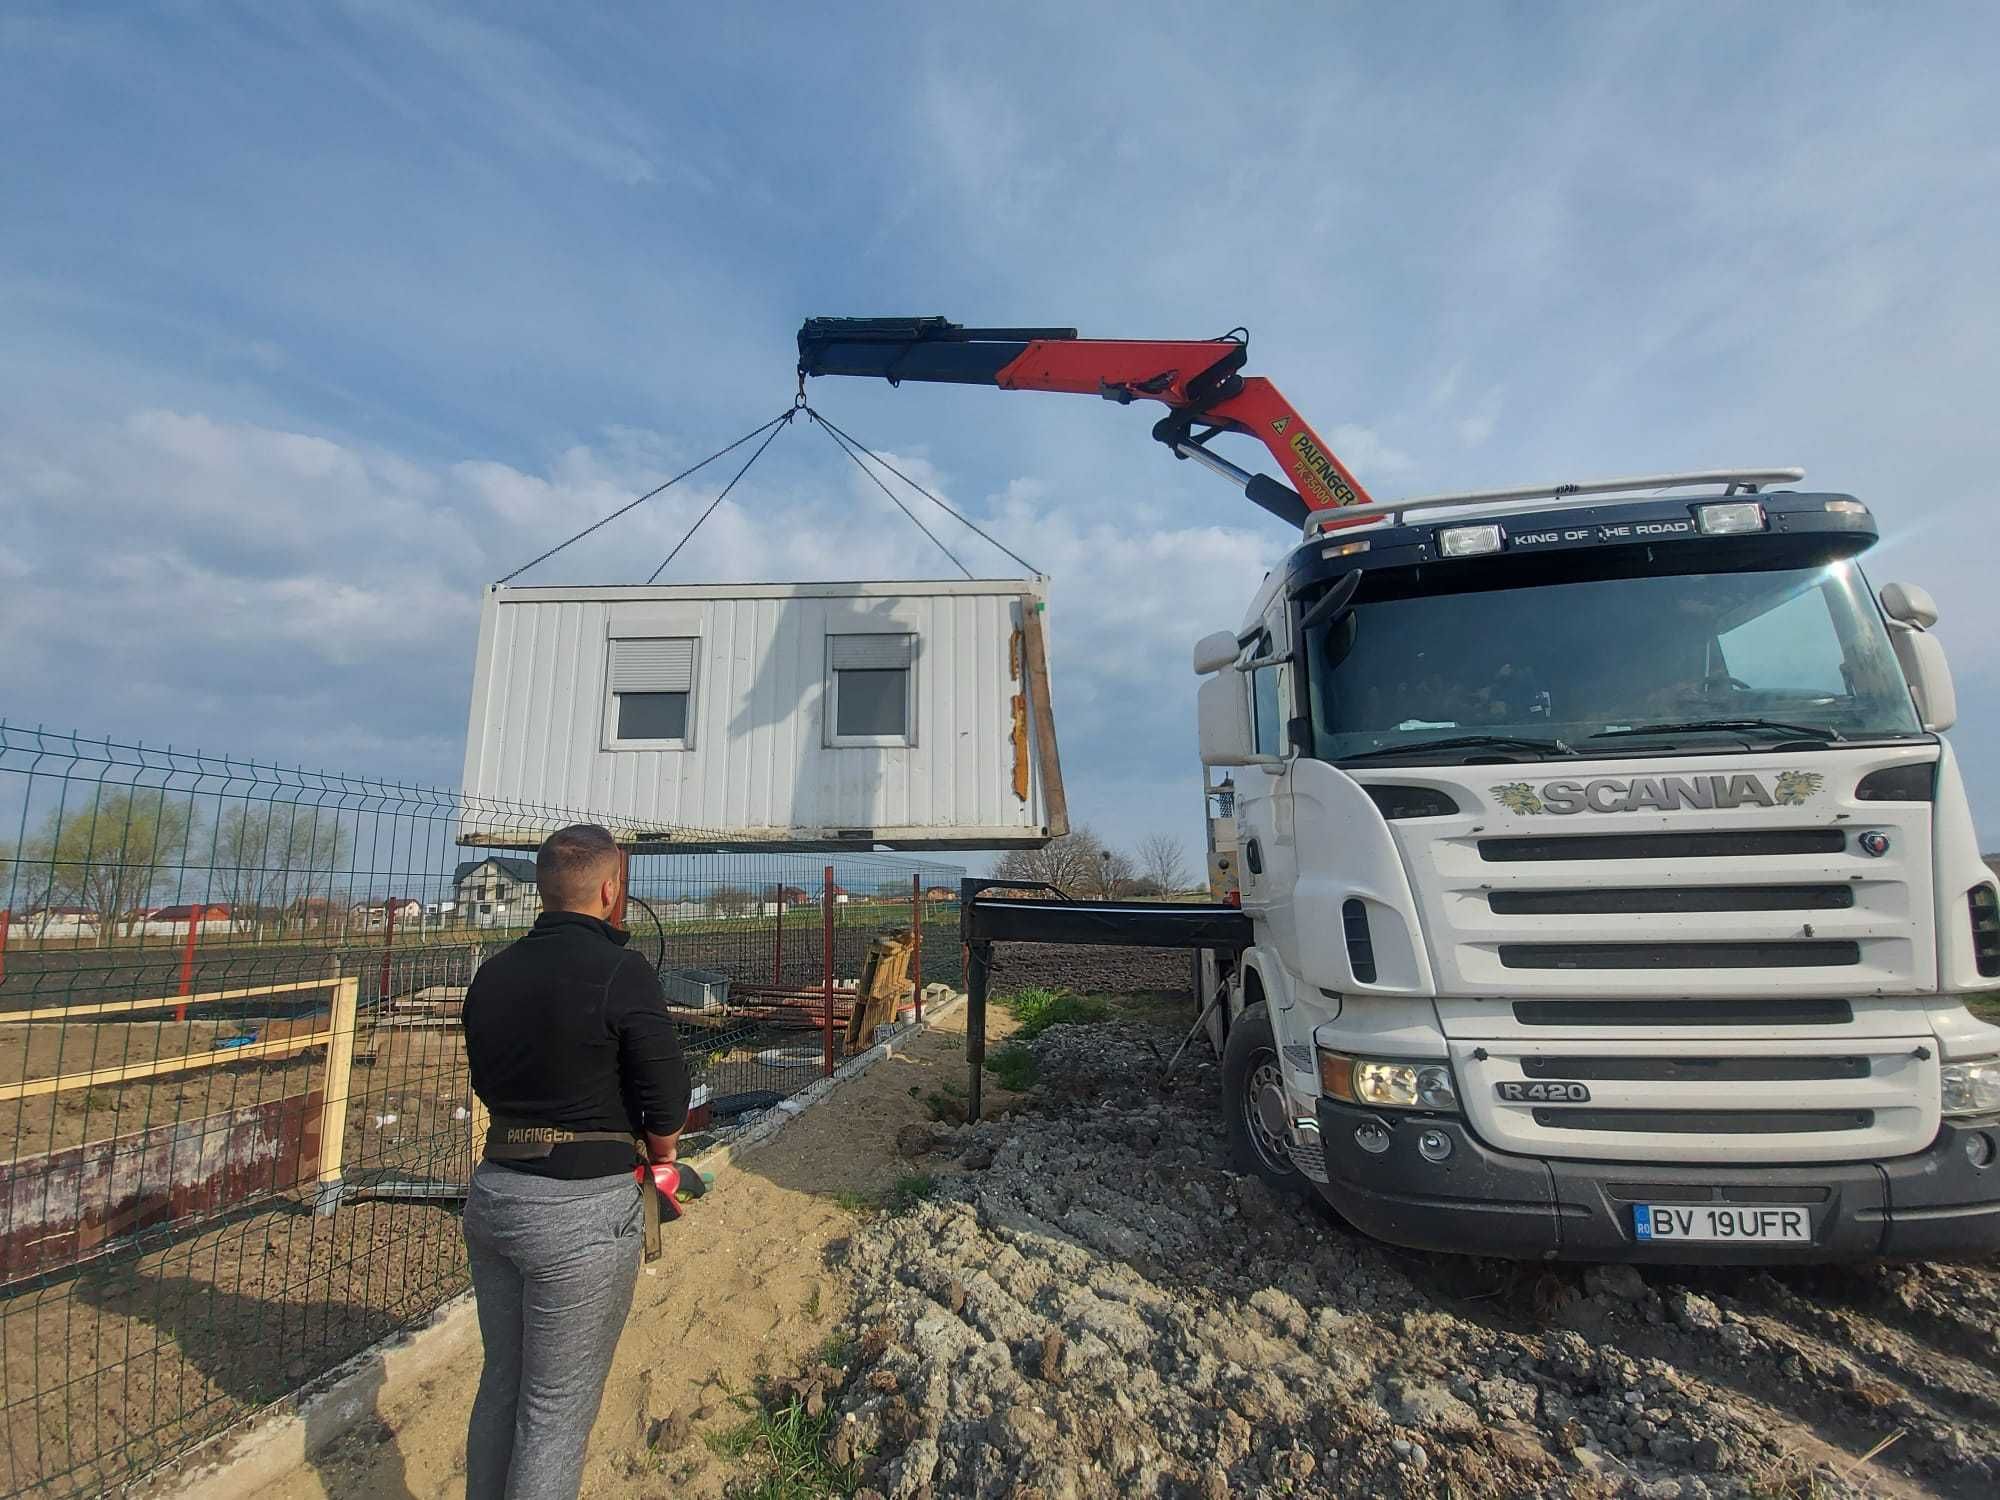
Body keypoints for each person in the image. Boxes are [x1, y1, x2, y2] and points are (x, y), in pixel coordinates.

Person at [461, 824, 690, 1500]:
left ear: (541, 889)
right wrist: (664, 1154)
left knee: (501, 1388)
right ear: (613, 887)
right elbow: (666, 1097)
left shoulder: (492, 974)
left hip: (494, 1196)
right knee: (555, 1413)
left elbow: (486, 1081)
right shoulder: (625, 970)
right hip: (581, 1219)